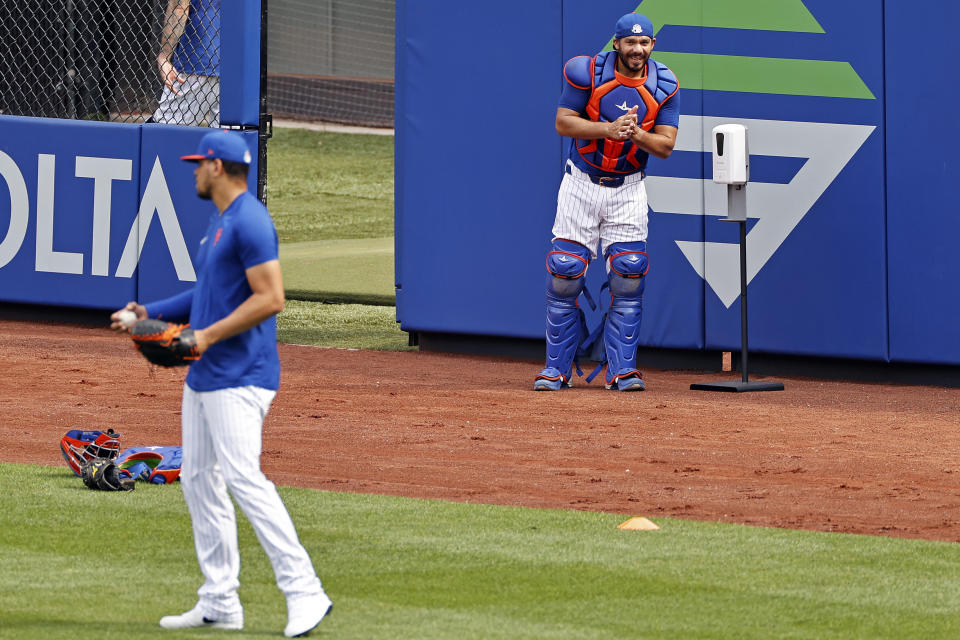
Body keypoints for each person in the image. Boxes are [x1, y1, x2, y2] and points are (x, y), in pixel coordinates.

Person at [110, 130, 332, 637]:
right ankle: (220, 601)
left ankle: (306, 592)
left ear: (216, 167)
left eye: (197, 164)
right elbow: (207, 290)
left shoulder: (251, 221)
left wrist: (205, 336)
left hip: (241, 376)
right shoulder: (221, 223)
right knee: (198, 479)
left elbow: (271, 298)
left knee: (243, 479)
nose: (193, 171)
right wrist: (150, 312)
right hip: (205, 375)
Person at [533, 12, 679, 392]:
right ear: (616, 43)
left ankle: (622, 370)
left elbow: (665, 145)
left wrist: (635, 135)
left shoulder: (664, 84)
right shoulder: (587, 72)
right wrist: (608, 129)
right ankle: (556, 369)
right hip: (581, 182)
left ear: (652, 45)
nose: (637, 49)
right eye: (630, 42)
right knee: (565, 273)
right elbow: (564, 122)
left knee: (629, 274)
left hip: (629, 187)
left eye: (644, 42)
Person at [152, 0, 220, 126]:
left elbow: (179, 7)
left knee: (164, 133)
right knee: (228, 139)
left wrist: (164, 56)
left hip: (199, 58)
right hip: (239, 61)